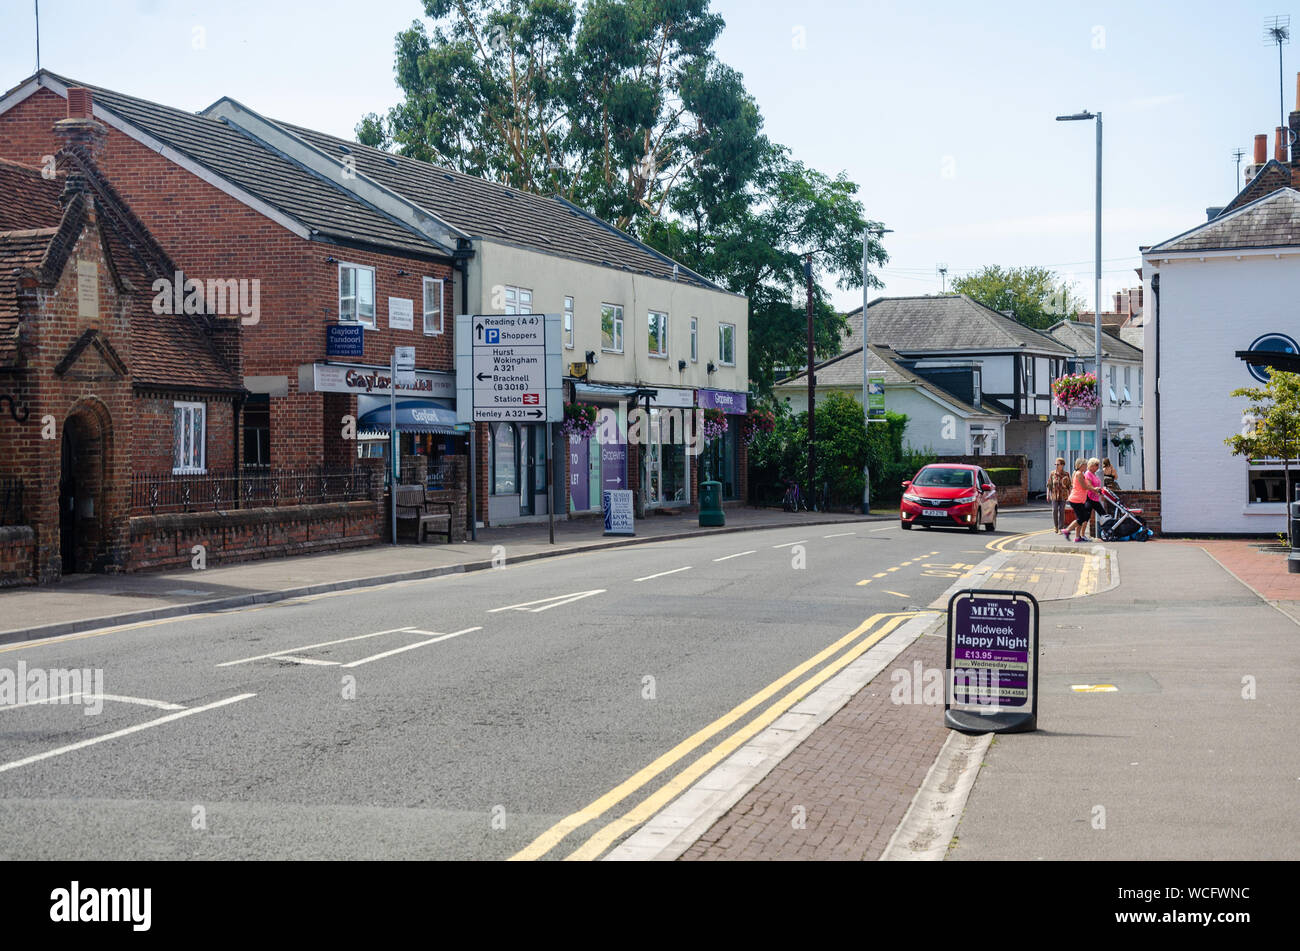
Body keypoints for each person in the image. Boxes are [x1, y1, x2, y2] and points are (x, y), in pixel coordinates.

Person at [1060, 458, 1092, 542]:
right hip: (1076, 499)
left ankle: (1078, 537)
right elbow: (1084, 486)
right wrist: (1093, 488)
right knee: (1082, 518)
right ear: (1081, 465)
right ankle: (1067, 530)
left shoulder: (1079, 473)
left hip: (1079, 499)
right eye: (1085, 465)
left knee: (1081, 518)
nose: (1086, 467)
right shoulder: (1079, 474)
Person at [1047, 457, 1071, 531]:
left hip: (1063, 496)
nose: (1056, 466)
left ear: (1062, 465)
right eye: (1055, 464)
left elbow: (1069, 486)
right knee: (1054, 510)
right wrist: (1048, 494)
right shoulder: (1052, 474)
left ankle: (1061, 527)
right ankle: (1056, 526)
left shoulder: (1066, 474)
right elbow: (1049, 485)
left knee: (1061, 510)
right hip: (1054, 495)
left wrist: (1070, 496)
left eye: (1058, 464)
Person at [1085, 457, 1105, 538]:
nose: (1097, 467)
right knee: (1086, 517)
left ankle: (1106, 530)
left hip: (1095, 498)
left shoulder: (1094, 474)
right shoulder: (1088, 474)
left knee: (1103, 514)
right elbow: (1089, 485)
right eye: (1096, 465)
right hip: (1089, 498)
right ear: (1091, 465)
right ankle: (1081, 535)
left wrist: (1101, 494)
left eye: (1098, 465)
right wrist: (1096, 490)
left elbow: (1098, 486)